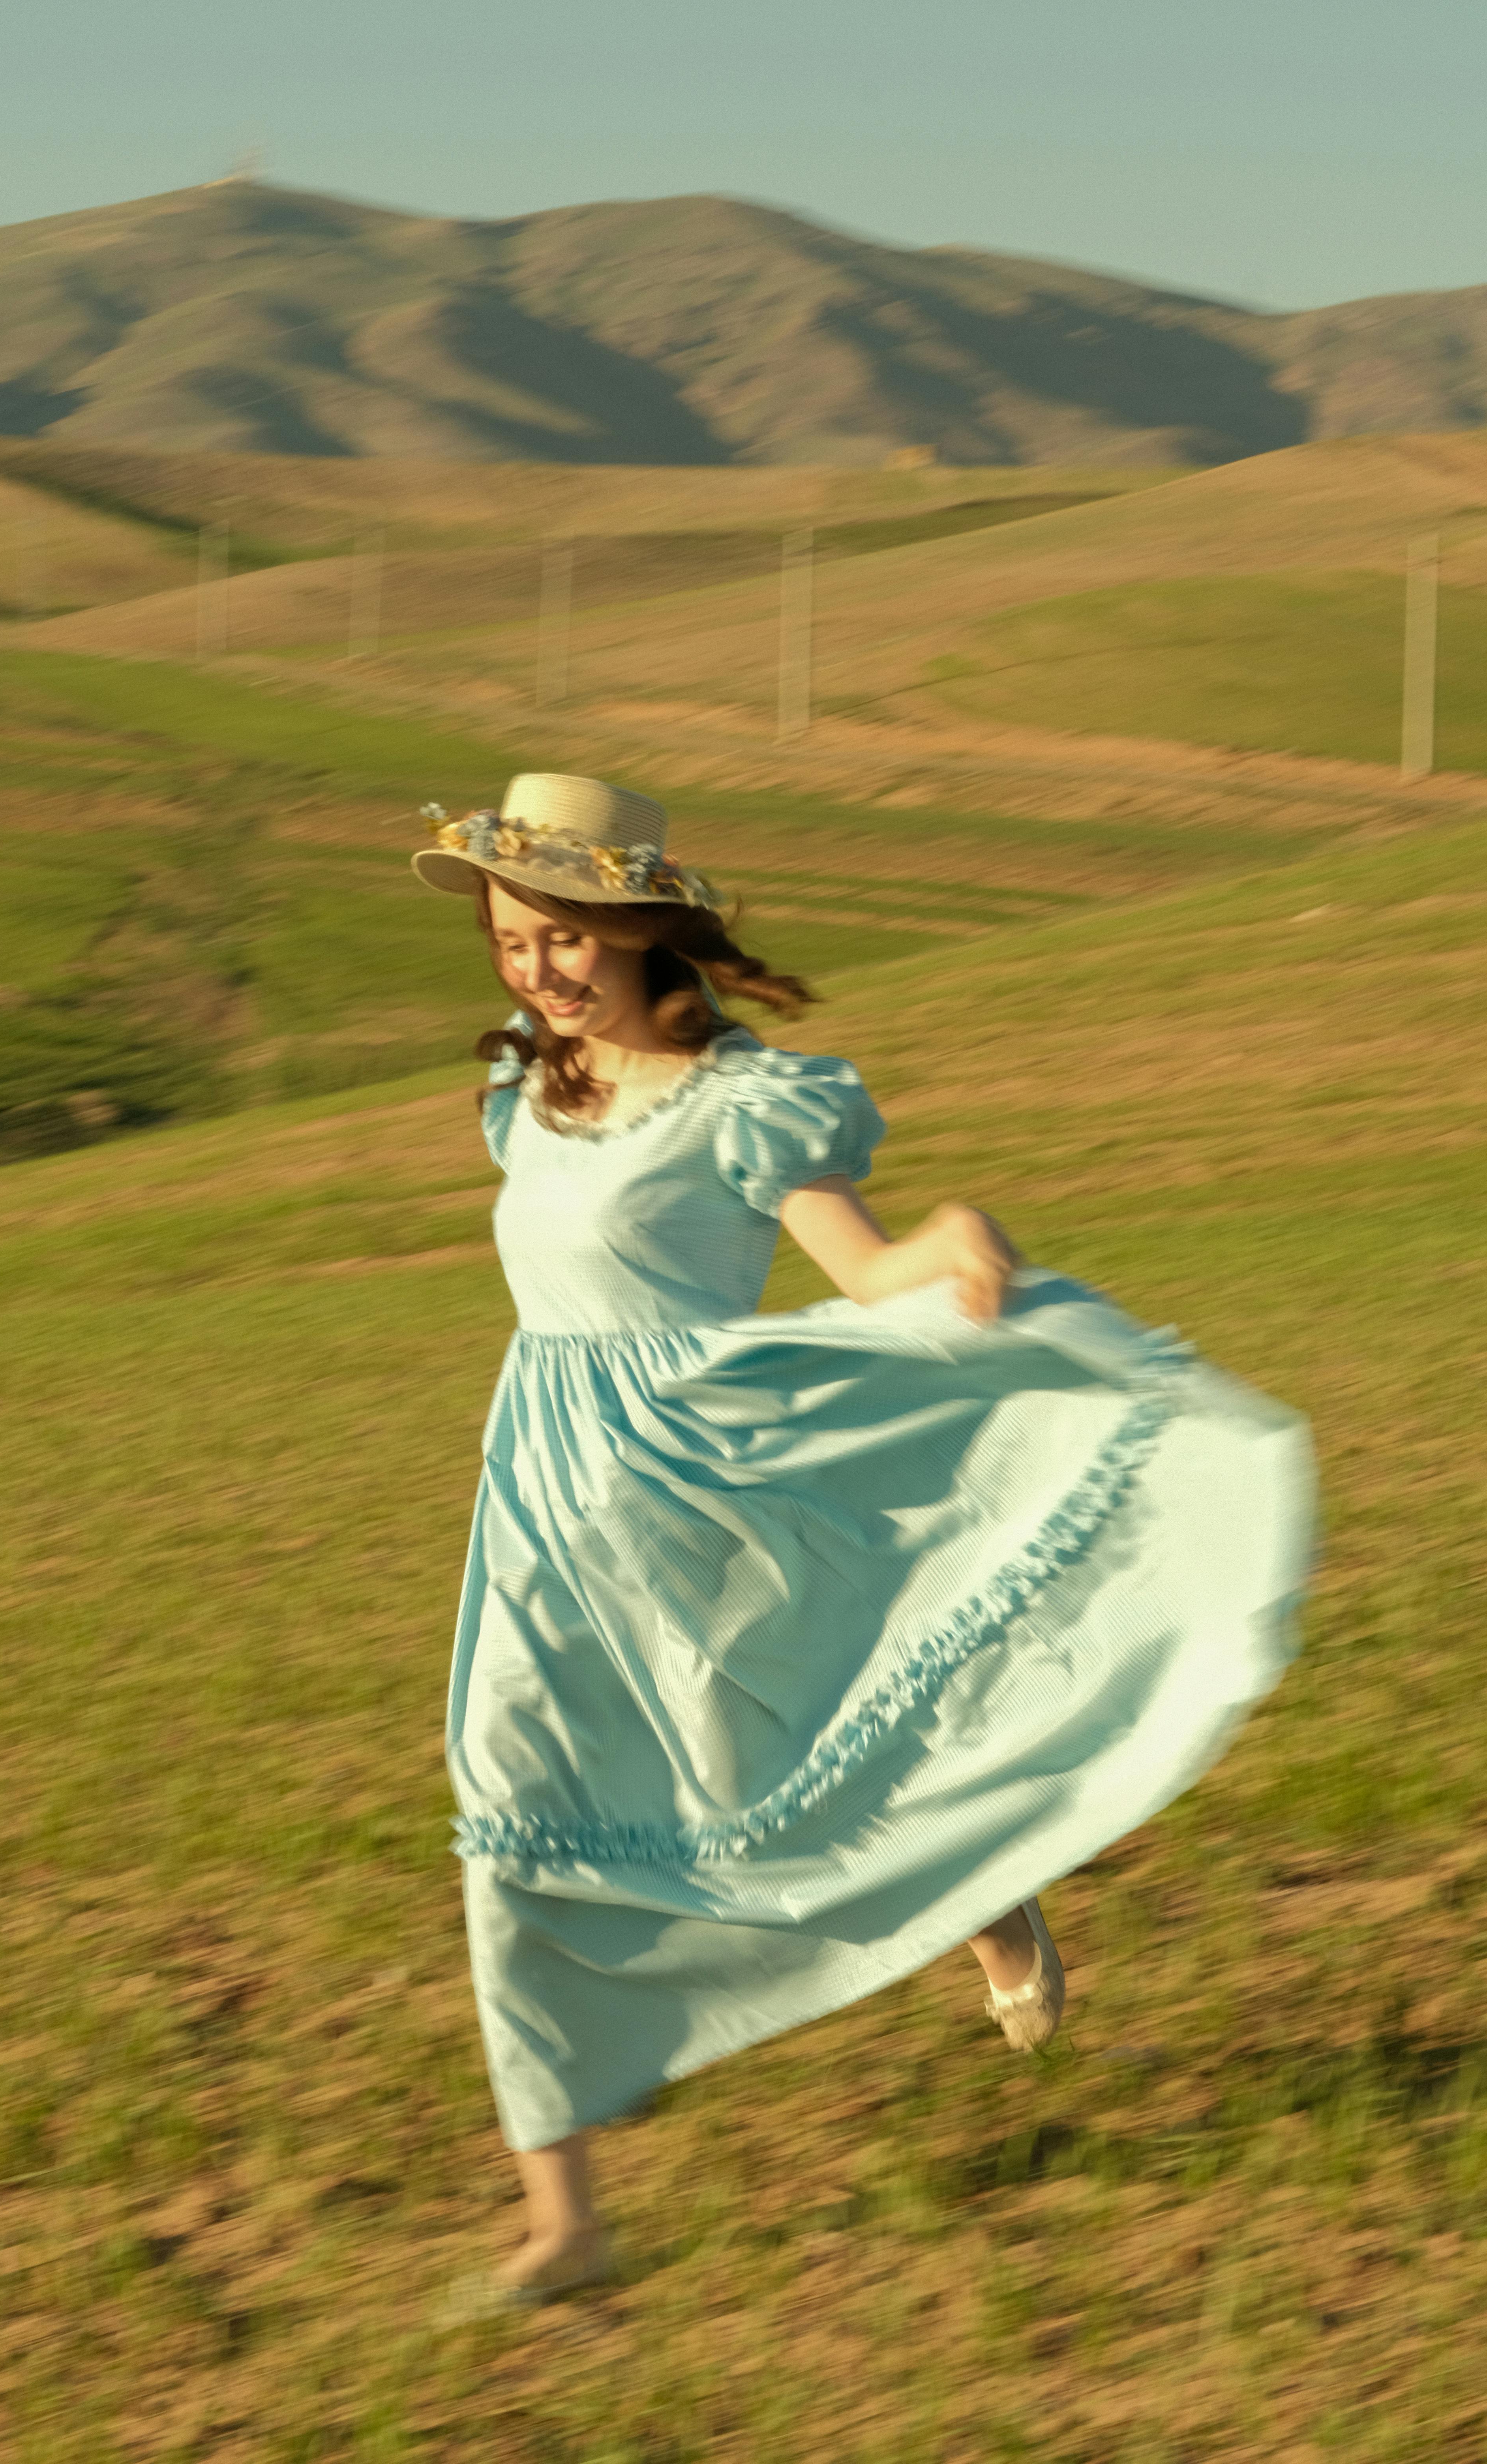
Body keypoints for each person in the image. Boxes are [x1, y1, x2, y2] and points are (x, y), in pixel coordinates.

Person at [412, 773, 1313, 2311]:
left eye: (565, 938)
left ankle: (980, 1890)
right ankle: (564, 2218)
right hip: (548, 1497)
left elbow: (857, 1257)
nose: (538, 966)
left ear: (637, 934)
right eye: (515, 937)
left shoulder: (733, 1100)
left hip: (715, 1475)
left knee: (783, 1771)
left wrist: (941, 1243)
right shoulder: (522, 1086)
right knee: (510, 1806)